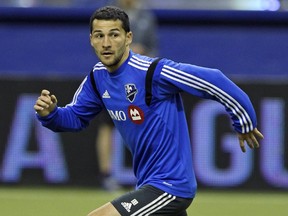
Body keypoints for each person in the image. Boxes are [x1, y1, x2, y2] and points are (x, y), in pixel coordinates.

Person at [34, 6, 264, 216]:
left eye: (114, 34)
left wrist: (243, 122)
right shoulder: (97, 77)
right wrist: (51, 114)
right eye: (99, 35)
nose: (106, 43)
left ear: (128, 38)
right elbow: (74, 118)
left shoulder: (152, 71)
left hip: (170, 185)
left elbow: (213, 79)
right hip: (148, 184)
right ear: (91, 40)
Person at [96, 0, 158, 190]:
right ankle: (106, 174)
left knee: (145, 127)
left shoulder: (147, 17)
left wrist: (141, 55)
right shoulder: (108, 15)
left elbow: (154, 49)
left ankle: (149, 176)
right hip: (115, 81)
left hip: (140, 82)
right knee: (108, 125)